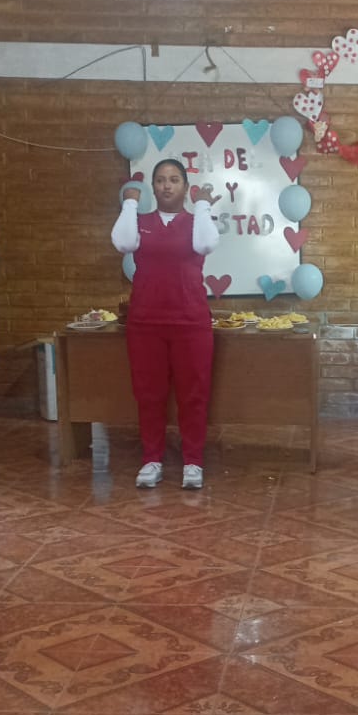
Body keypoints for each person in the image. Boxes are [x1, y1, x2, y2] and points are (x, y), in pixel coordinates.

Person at [110, 159, 220, 490]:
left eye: (174, 180)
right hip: (146, 322)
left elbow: (206, 244)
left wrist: (203, 205)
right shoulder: (141, 222)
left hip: (191, 322)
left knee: (194, 394)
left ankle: (193, 462)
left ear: (185, 187)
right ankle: (152, 459)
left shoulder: (197, 221)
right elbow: (122, 243)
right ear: (153, 188)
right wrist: (130, 203)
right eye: (160, 180)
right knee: (148, 394)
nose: (167, 186)